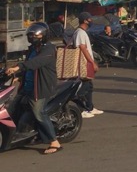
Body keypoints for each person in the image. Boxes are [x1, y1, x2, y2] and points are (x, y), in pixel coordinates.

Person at [5, 23, 62, 154]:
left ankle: (54, 141)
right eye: (30, 35)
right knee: (12, 107)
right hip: (27, 86)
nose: (31, 37)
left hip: (41, 88)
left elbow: (35, 63)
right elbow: (28, 67)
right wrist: (18, 75)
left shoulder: (49, 49)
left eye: (34, 35)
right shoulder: (32, 49)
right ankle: (14, 135)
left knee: (39, 113)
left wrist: (18, 67)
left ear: (44, 36)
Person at [72, 12, 102, 118]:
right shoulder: (80, 33)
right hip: (83, 63)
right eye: (89, 19)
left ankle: (89, 107)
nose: (91, 21)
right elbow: (82, 48)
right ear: (85, 21)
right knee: (83, 88)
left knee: (89, 86)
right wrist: (92, 62)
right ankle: (80, 109)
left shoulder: (82, 32)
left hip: (85, 63)